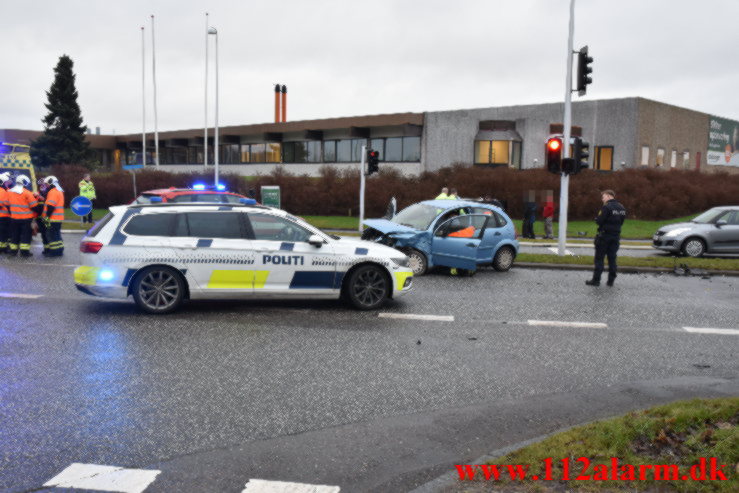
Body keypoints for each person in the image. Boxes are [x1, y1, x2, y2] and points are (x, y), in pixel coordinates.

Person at [586, 189, 627, 287]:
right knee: (612, 259)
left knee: (599, 259)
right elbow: (621, 222)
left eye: (603, 196)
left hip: (604, 236)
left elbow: (599, 221)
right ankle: (611, 281)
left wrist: (597, 219)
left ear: (609, 196)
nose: (602, 199)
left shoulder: (606, 207)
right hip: (615, 237)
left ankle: (596, 280)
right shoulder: (622, 207)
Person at [7, 175, 38, 257]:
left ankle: (13, 251)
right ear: (24, 182)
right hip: (26, 219)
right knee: (26, 236)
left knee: (14, 235)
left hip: (14, 218)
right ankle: (24, 252)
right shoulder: (28, 193)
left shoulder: (9, 192)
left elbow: (7, 204)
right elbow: (34, 206)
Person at [41, 176, 65, 256]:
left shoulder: (53, 192)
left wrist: (47, 217)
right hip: (58, 218)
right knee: (57, 235)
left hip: (52, 219)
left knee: (51, 235)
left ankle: (54, 252)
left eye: (47, 184)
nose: (46, 186)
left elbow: (51, 206)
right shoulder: (59, 191)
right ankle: (59, 250)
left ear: (51, 183)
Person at [0, 173, 11, 253]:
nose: (7, 184)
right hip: (4, 216)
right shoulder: (2, 191)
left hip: (3, 216)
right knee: (3, 233)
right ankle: (3, 248)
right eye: (6, 182)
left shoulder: (5, 190)